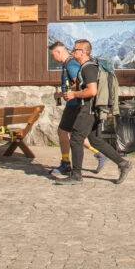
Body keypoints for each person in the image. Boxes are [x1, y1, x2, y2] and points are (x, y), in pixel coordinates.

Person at [59, 39, 132, 186]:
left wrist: (74, 95)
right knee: (95, 140)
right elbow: (88, 88)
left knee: (75, 138)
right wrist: (73, 91)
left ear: (84, 52)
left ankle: (76, 175)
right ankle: (123, 164)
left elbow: (92, 91)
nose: (73, 52)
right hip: (92, 109)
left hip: (89, 110)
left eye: (76, 50)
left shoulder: (88, 68)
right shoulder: (86, 67)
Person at [48, 41, 105, 178]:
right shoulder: (68, 63)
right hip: (73, 104)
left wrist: (62, 94)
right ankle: (97, 154)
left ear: (59, 52)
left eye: (53, 54)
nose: (52, 58)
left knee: (66, 133)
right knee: (72, 134)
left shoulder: (71, 64)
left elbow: (79, 84)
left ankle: (67, 164)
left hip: (74, 104)